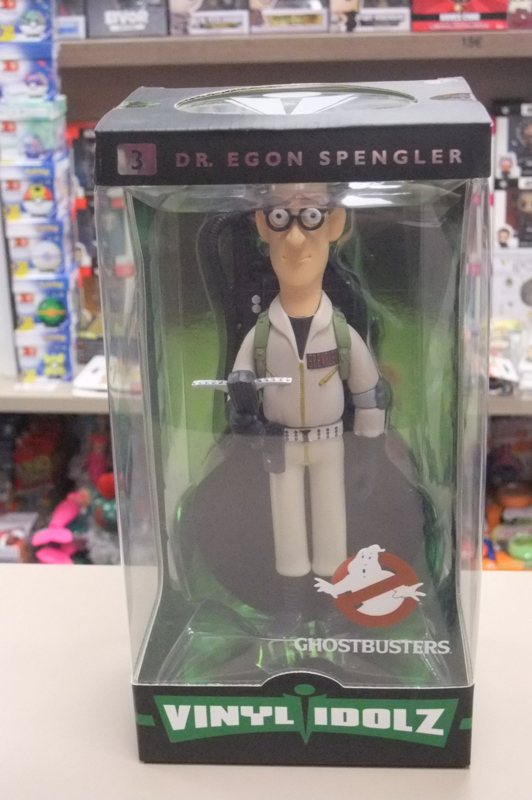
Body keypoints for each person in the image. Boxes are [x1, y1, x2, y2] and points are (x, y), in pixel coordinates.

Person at [229, 185, 386, 629]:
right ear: (265, 229)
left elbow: (369, 393)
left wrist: (369, 452)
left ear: (332, 227)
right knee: (288, 527)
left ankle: (333, 603)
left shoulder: (339, 332)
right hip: (280, 444)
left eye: (310, 221)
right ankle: (292, 605)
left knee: (332, 524)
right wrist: (243, 412)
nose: (296, 241)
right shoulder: (262, 334)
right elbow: (240, 382)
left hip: (331, 442)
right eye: (281, 222)